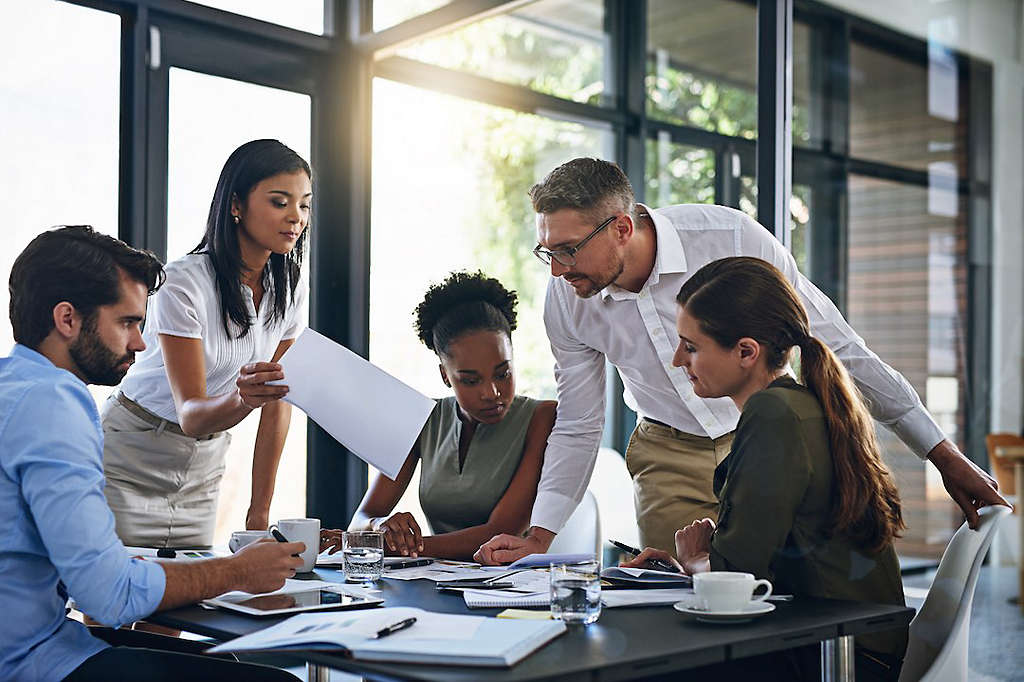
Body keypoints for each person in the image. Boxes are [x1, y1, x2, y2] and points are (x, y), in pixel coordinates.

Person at [475, 157, 1006, 564]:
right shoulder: (568, 298)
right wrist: (540, 536)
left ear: (621, 227)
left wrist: (943, 456)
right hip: (667, 454)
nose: (557, 270)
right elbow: (580, 421)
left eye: (568, 250)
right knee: (678, 611)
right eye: (547, 251)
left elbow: (838, 346)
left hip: (762, 442)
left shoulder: (730, 240)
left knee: (777, 601)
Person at [1, 226, 305, 681]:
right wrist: (237, 571)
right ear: (67, 319)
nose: (141, 343)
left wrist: (113, 562)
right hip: (34, 662)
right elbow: (108, 596)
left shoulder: (13, 386)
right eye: (127, 323)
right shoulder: (56, 404)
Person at [622, 256, 907, 681]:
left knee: (642, 661)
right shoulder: (800, 404)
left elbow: (739, 577)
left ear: (746, 352)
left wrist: (697, 558)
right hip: (848, 641)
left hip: (835, 654)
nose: (679, 360)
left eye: (692, 346)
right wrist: (689, 565)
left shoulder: (774, 415)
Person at [102, 139, 311, 547]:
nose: (295, 218)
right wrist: (245, 399)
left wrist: (259, 511)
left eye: (304, 204)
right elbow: (192, 413)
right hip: (131, 454)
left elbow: (278, 401)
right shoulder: (183, 282)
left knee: (189, 601)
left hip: (204, 464)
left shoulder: (290, 284)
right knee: (108, 604)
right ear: (236, 205)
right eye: (279, 202)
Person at [322, 271, 556, 561]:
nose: (492, 392)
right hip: (438, 583)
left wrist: (387, 546)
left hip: (518, 589)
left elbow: (500, 532)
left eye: (503, 373)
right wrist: (378, 526)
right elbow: (362, 518)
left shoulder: (542, 417)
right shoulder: (422, 418)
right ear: (445, 375)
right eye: (471, 380)